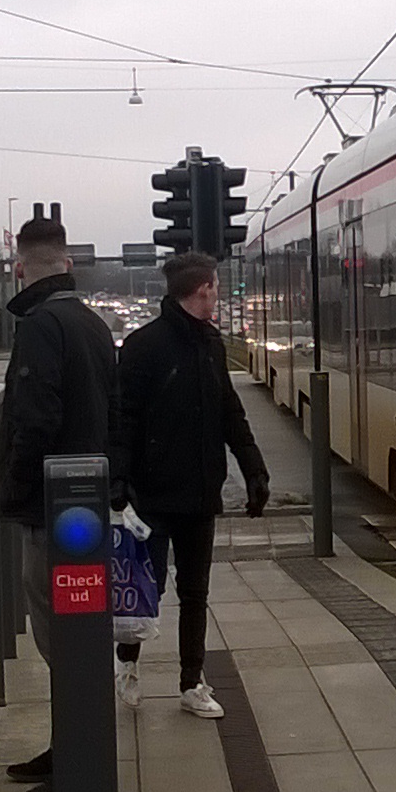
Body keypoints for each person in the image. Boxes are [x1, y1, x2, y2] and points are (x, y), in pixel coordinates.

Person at [110, 251, 270, 720]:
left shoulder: (210, 345)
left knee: (196, 591)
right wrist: (119, 480)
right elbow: (123, 419)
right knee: (149, 586)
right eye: (216, 286)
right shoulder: (143, 347)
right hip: (153, 492)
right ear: (202, 290)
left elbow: (229, 412)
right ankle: (128, 664)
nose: (218, 293)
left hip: (200, 491)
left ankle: (191, 682)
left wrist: (252, 467)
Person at [0, 217, 118, 792]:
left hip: (52, 508)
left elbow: (34, 418)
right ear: (66, 264)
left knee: (62, 638)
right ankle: (69, 746)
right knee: (75, 635)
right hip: (83, 504)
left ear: (21, 267)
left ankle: (80, 759)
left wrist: (15, 486)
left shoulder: (41, 327)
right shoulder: (90, 323)